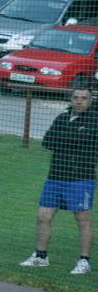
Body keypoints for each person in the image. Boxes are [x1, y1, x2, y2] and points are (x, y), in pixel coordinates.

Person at [20, 87, 96, 275]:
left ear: (90, 101)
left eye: (83, 98)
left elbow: (83, 140)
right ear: (71, 99)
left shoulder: (94, 120)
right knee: (43, 216)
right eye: (76, 98)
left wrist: (64, 139)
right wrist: (72, 139)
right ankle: (41, 256)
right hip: (55, 176)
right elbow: (47, 141)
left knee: (83, 220)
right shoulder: (62, 117)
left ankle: (84, 261)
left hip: (81, 178)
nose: (79, 101)